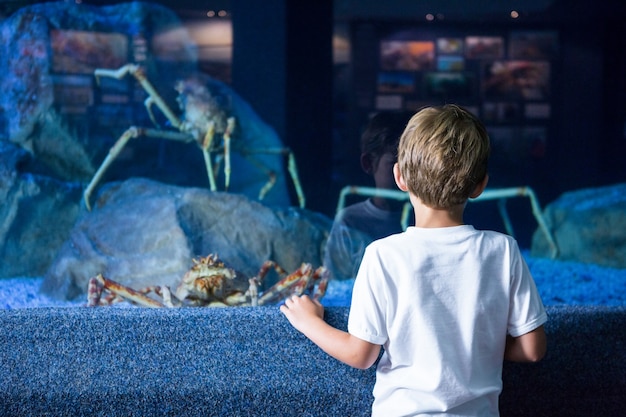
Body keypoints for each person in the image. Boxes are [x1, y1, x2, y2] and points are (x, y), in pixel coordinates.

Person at [281, 104, 547, 416]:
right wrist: (475, 344)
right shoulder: (503, 250)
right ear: (480, 184)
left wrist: (308, 321)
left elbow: (361, 354)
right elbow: (532, 349)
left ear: (399, 177)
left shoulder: (384, 255)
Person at [325, 110, 414, 280]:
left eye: (413, 166)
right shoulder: (350, 221)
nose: (406, 175)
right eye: (395, 165)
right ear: (368, 163)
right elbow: (336, 282)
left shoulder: (427, 217)